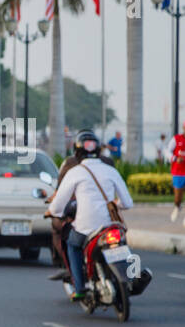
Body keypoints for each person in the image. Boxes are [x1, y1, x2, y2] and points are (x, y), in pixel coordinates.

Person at [45, 129, 133, 301]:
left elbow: (57, 205)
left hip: (86, 228)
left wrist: (53, 211)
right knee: (122, 243)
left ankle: (79, 287)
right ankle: (133, 275)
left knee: (72, 244)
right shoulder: (110, 170)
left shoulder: (75, 172)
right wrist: (115, 204)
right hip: (110, 225)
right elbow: (128, 202)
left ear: (77, 152)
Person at [171, 124, 185, 224]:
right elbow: (167, 151)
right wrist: (175, 159)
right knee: (177, 197)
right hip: (178, 172)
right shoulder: (176, 139)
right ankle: (177, 206)